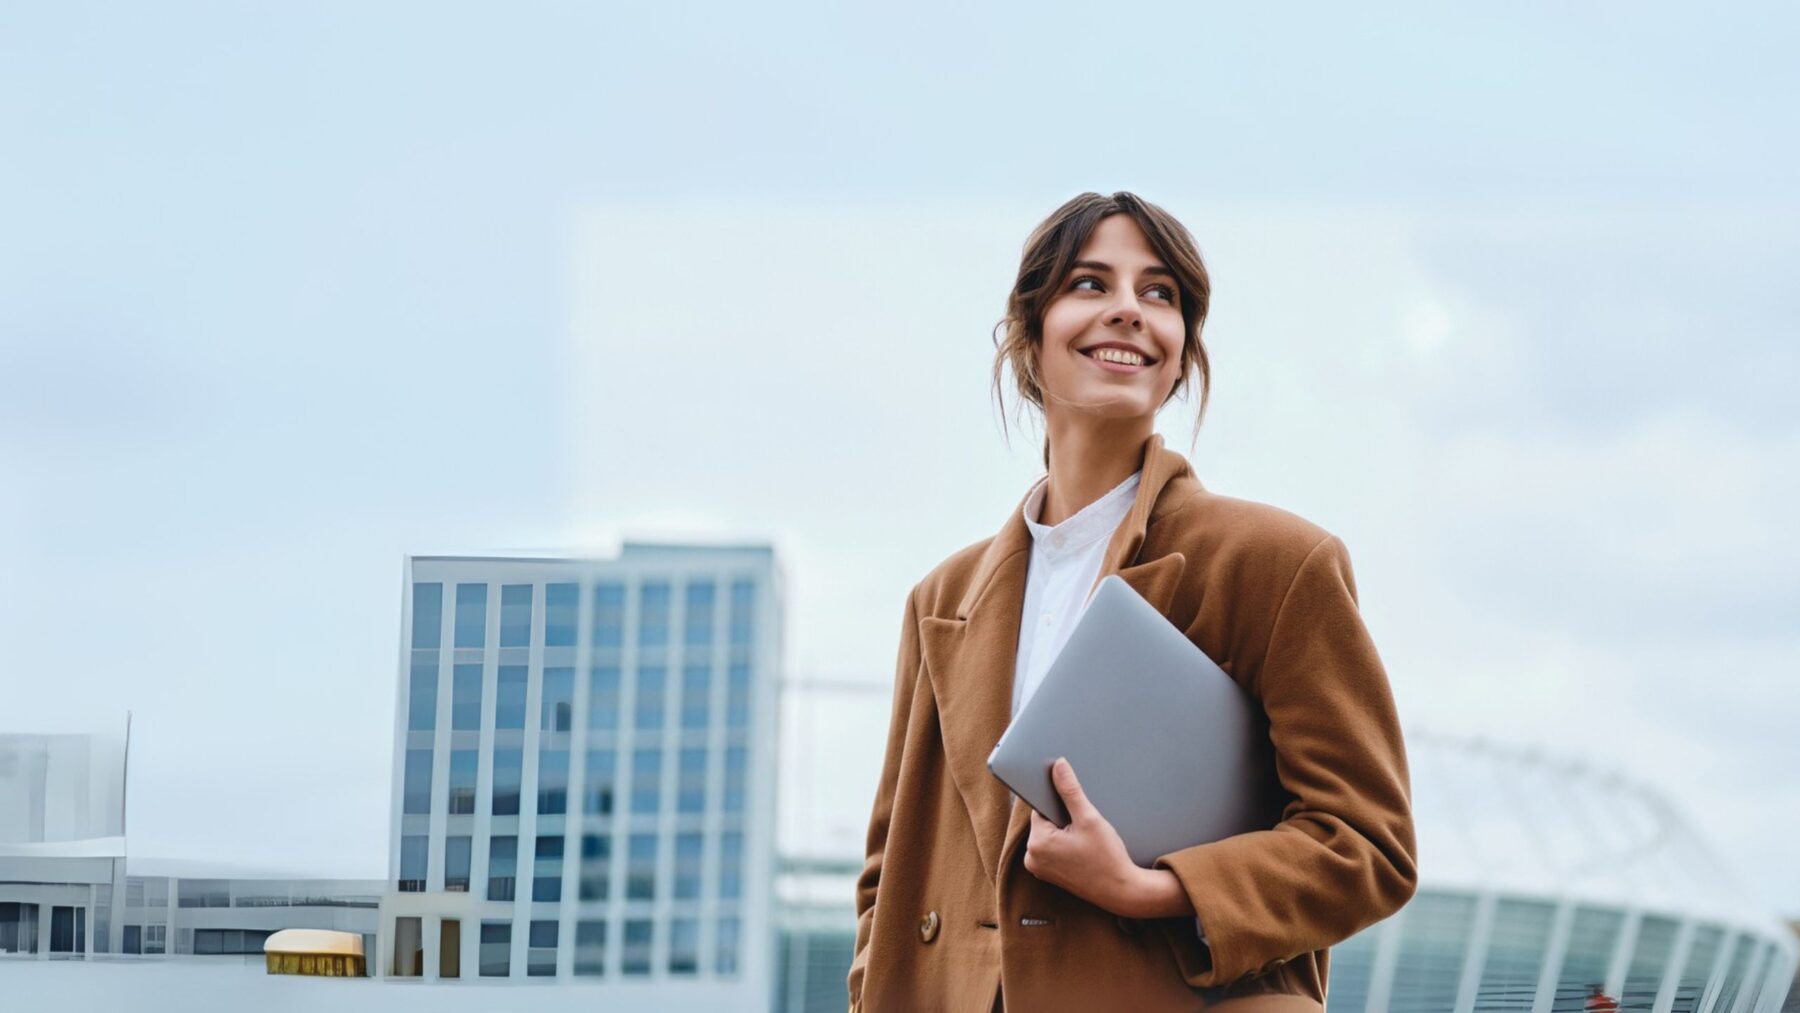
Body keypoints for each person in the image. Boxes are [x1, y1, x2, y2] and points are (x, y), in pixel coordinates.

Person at [847, 191, 1419, 1012]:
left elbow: (1369, 845)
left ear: (1181, 354)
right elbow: (888, 875)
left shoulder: (1274, 563)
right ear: (1028, 335)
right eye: (1090, 283)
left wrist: (1154, 888)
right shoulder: (941, 598)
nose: (1127, 310)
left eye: (1159, 294)